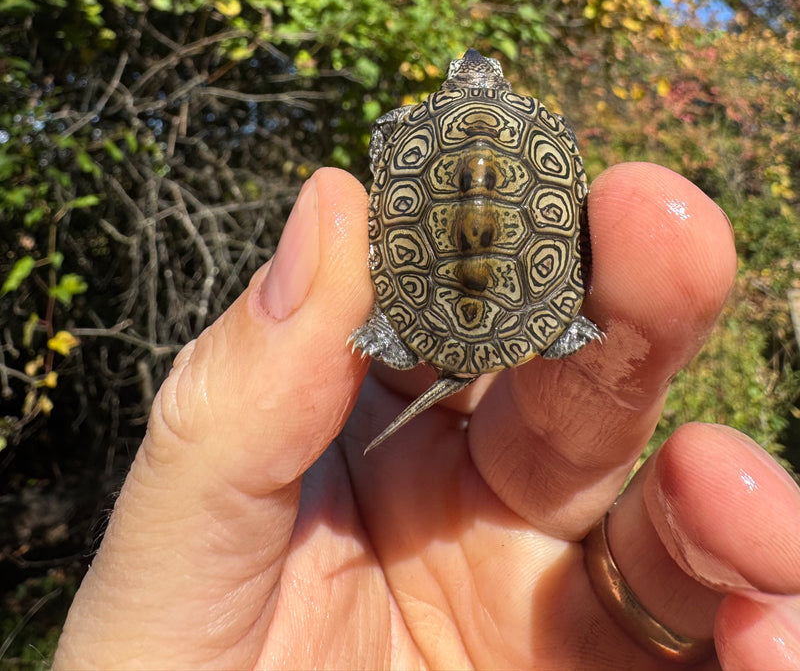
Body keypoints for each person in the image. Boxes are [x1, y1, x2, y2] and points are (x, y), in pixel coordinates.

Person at [54, 163, 800, 670]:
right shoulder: (529, 140)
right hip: (504, 299)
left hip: (442, 300)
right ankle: (550, 324)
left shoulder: (424, 139)